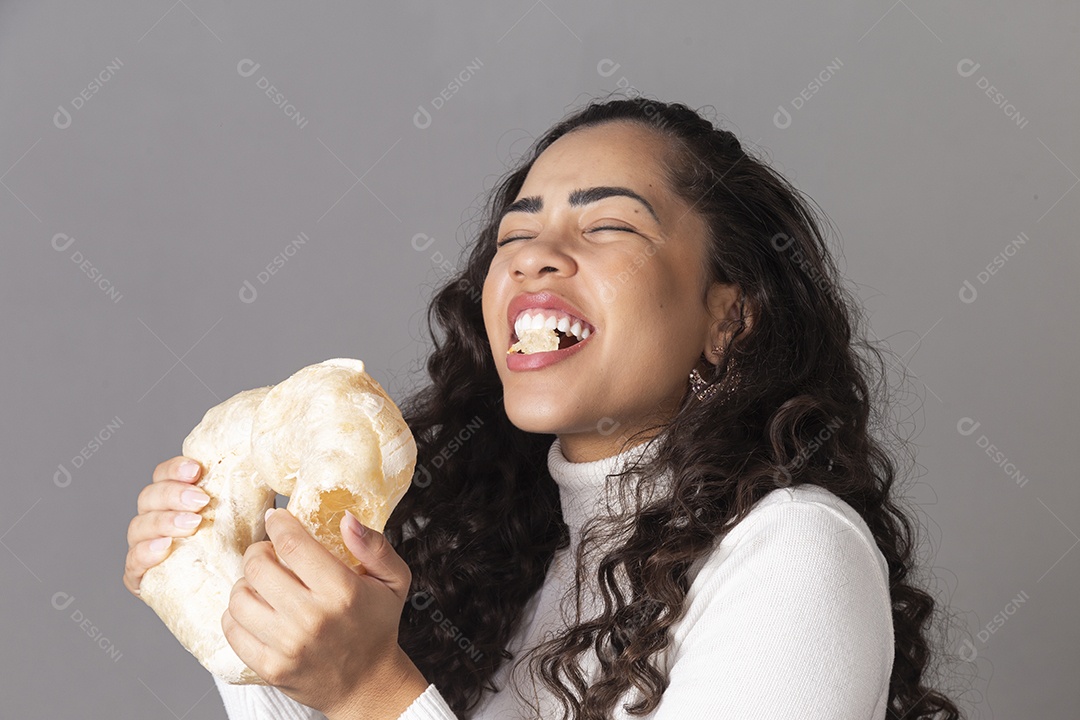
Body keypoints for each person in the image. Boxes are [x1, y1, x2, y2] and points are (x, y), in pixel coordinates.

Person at [123, 95, 963, 720]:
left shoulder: (792, 549)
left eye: (607, 228)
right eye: (514, 238)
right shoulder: (488, 551)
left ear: (727, 317)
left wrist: (367, 691)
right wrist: (260, 640)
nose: (535, 260)